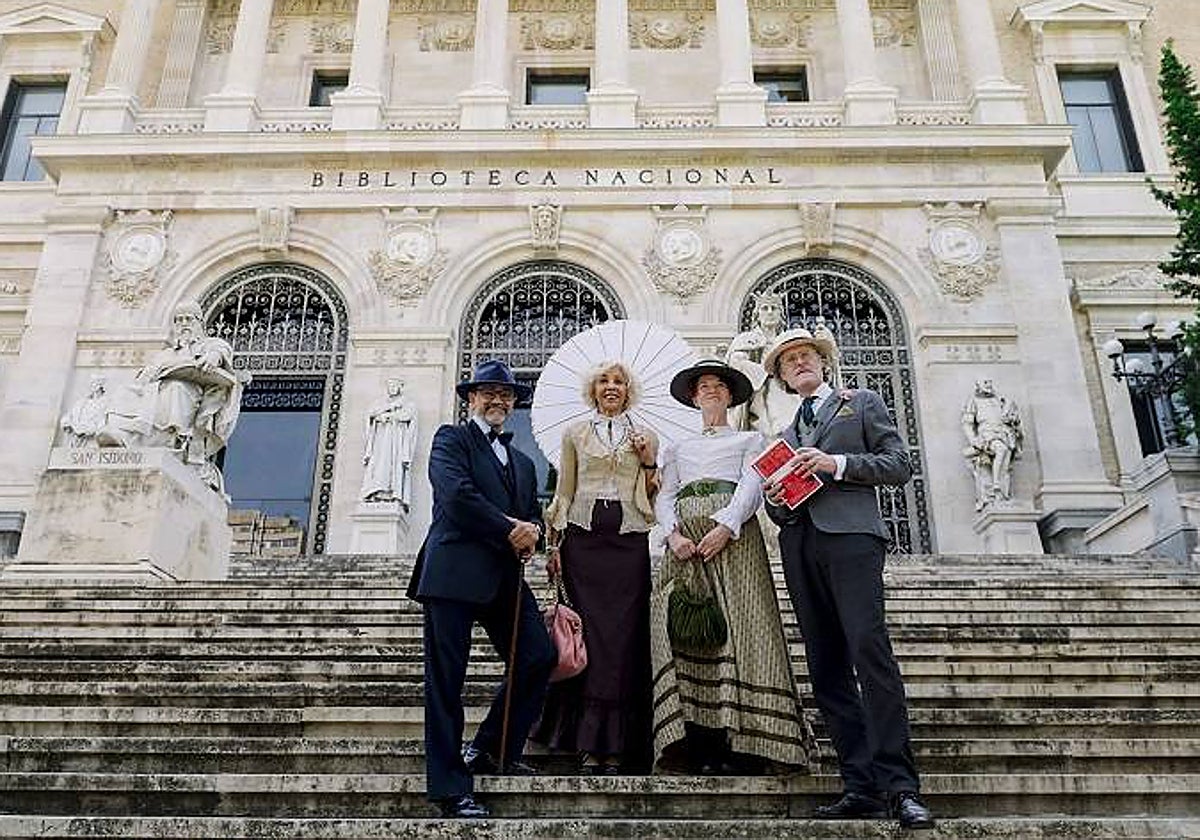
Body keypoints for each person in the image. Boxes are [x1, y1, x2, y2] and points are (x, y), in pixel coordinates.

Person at [760, 327, 935, 830]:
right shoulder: (786, 433)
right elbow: (780, 511)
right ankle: (859, 783)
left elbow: (898, 464)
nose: (798, 363)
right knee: (826, 665)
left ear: (823, 361)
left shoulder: (859, 403)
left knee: (869, 651)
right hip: (800, 544)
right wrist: (776, 496)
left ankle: (901, 787)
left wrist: (835, 463)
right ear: (782, 377)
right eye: (788, 361)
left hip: (853, 538)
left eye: (805, 355)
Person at [405, 358, 556, 819]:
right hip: (452, 571)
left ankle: (492, 748)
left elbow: (534, 515)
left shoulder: (526, 463)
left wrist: (534, 535)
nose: (497, 400)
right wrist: (511, 529)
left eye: (505, 395)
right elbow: (456, 496)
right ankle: (450, 789)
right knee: (446, 684)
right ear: (471, 398)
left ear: (513, 404)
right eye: (487, 392)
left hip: (503, 578)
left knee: (538, 657)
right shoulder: (451, 439)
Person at [649, 359, 817, 775]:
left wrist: (726, 525)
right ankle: (697, 743)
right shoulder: (676, 446)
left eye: (718, 386)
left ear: (729, 395)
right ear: (693, 396)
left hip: (735, 542)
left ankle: (751, 744)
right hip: (685, 544)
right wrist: (673, 535)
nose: (710, 391)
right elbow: (665, 495)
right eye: (703, 386)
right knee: (686, 635)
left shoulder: (750, 439)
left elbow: (751, 485)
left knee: (745, 629)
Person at [533, 361, 658, 775]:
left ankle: (620, 746)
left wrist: (648, 461)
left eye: (619, 381)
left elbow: (655, 495)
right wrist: (553, 545)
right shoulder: (574, 434)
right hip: (582, 545)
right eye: (604, 381)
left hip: (629, 544)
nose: (611, 387)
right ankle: (586, 744)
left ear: (628, 390)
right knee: (590, 639)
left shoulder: (645, 436)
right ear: (594, 389)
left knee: (622, 641)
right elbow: (564, 489)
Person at [961, 378, 1023, 510]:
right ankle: (995, 484)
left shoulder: (999, 400)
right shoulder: (974, 401)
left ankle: (1002, 494)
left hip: (1004, 433)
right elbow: (967, 423)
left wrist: (1011, 419)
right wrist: (974, 440)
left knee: (1005, 462)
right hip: (987, 434)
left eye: (990, 382)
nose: (989, 385)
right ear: (978, 385)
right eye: (985, 383)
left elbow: (1008, 417)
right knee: (1000, 450)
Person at [360, 378, 419, 508]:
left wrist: (391, 416)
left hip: (397, 442)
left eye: (394, 386)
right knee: (380, 464)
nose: (392, 388)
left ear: (399, 388)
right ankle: (376, 492)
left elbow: (408, 415)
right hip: (381, 441)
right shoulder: (379, 403)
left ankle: (393, 493)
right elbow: (371, 414)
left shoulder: (407, 403)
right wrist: (380, 416)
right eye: (390, 386)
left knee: (394, 467)